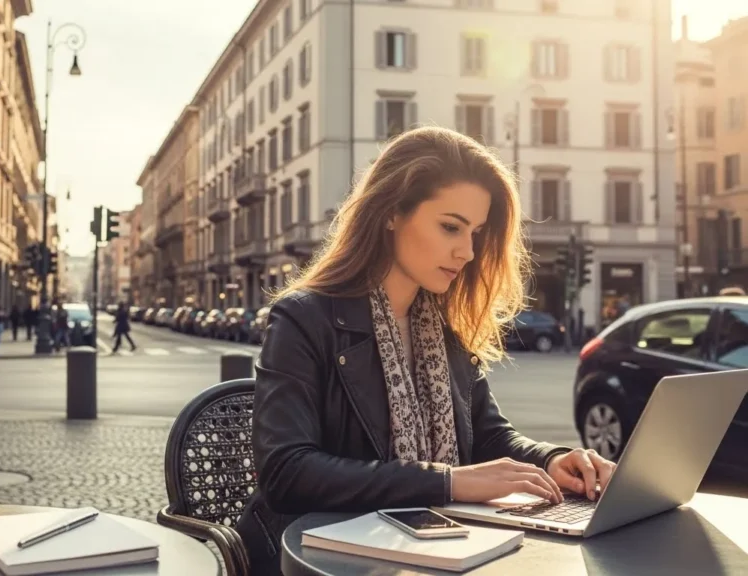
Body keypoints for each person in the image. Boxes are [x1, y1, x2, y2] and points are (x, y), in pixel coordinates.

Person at [236, 127, 617, 575]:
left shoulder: (443, 326)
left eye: (475, 232)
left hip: (423, 552)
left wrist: (553, 460)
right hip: (313, 560)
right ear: (391, 212)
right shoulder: (304, 317)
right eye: (450, 227)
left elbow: (489, 435)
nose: (468, 251)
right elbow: (286, 472)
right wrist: (447, 481)